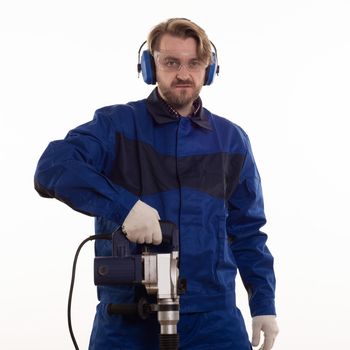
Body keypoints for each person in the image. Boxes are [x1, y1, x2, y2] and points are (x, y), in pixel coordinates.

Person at [34, 18, 279, 350]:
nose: (183, 73)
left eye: (194, 63)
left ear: (209, 69)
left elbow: (247, 230)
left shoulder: (232, 141)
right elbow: (53, 167)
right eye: (171, 62)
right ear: (150, 67)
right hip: (127, 319)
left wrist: (263, 304)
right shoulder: (115, 126)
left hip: (213, 318)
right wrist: (125, 207)